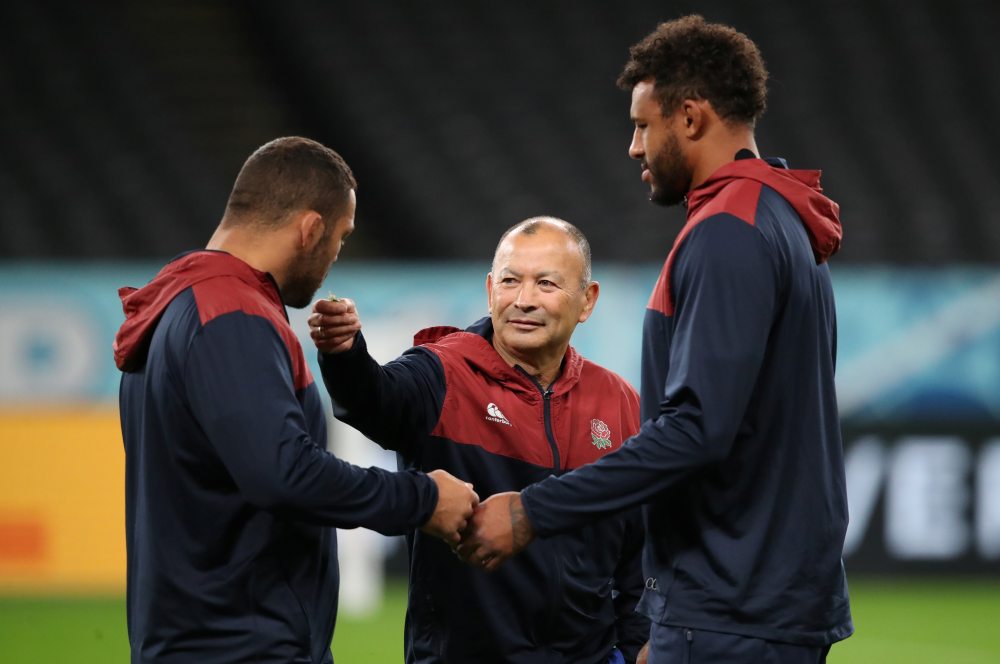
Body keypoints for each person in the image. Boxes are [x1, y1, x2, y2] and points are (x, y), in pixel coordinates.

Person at [457, 16, 853, 664]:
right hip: (757, 601)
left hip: (732, 606)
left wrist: (533, 511)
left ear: (691, 118)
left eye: (644, 125)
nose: (634, 148)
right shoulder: (779, 220)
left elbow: (696, 431)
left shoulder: (728, 232)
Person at [113, 136, 479, 664]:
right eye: (340, 238)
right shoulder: (231, 315)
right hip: (241, 644)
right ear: (310, 229)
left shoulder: (182, 304)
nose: (335, 255)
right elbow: (282, 472)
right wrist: (421, 500)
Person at [309, 217, 650, 663]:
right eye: (510, 281)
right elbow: (374, 400)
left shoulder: (619, 402)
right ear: (490, 290)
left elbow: (636, 553)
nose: (524, 300)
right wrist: (344, 355)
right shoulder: (442, 373)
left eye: (546, 284)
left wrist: (638, 641)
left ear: (587, 301)